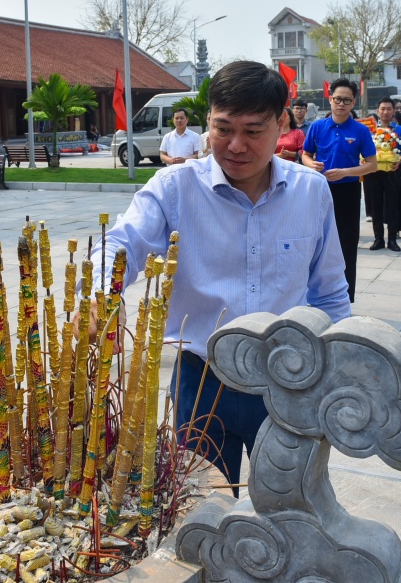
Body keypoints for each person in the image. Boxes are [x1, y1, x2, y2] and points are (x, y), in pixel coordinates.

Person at [89, 60, 352, 488]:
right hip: (202, 379)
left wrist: (337, 370)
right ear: (206, 122)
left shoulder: (310, 191)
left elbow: (330, 293)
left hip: (288, 378)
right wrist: (105, 294)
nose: (235, 145)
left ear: (281, 123)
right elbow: (121, 243)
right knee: (201, 510)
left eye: (253, 131)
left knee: (292, 507)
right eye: (223, 128)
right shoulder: (174, 188)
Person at [302, 78, 378, 301]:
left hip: (348, 192)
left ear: (353, 102)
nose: (341, 104)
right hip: (320, 189)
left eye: (346, 100)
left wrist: (346, 172)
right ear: (330, 99)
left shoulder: (360, 130)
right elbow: (305, 154)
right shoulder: (317, 127)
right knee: (314, 240)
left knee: (346, 243)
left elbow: (371, 164)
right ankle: (311, 294)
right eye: (337, 99)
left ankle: (345, 296)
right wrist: (310, 164)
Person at [364, 97, 401, 251]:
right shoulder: (370, 130)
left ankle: (392, 240)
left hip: (392, 172)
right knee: (375, 206)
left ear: (393, 111)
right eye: (382, 109)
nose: (385, 112)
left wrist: (400, 159)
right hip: (373, 172)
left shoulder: (400, 130)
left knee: (392, 206)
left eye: (389, 109)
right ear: (378, 111)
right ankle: (378, 239)